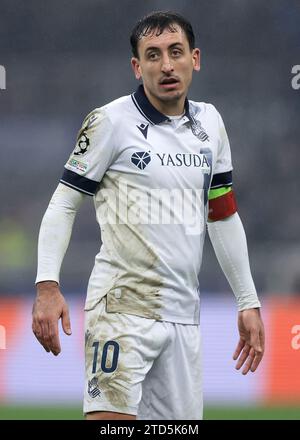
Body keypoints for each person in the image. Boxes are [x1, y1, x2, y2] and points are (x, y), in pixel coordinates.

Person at [32, 11, 265, 420]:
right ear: (138, 68)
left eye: (175, 52)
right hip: (121, 310)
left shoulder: (211, 124)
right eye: (153, 56)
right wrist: (47, 286)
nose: (167, 65)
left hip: (183, 318)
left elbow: (223, 216)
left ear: (195, 58)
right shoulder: (110, 121)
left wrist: (247, 300)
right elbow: (64, 203)